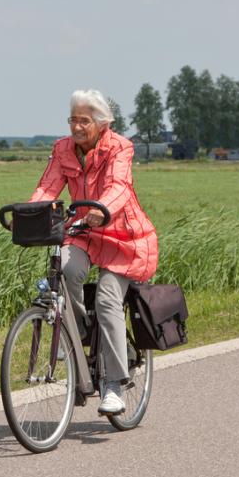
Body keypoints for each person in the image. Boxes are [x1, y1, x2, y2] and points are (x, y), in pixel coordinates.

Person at [30, 89, 158, 415]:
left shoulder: (119, 147)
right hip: (84, 230)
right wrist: (30, 215)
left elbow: (119, 185)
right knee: (66, 269)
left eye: (83, 120)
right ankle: (80, 331)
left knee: (106, 297)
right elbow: (48, 187)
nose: (76, 127)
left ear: (100, 123)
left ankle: (114, 384)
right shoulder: (63, 150)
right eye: (72, 119)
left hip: (123, 236)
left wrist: (102, 209)